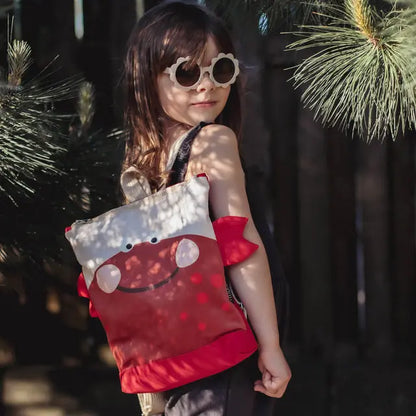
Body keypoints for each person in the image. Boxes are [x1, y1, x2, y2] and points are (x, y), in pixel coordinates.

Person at [122, 1, 291, 414]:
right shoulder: (214, 141)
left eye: (221, 70)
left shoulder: (141, 155)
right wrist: (269, 345)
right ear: (148, 80)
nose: (206, 86)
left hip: (176, 353)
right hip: (227, 346)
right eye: (185, 72)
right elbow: (241, 243)